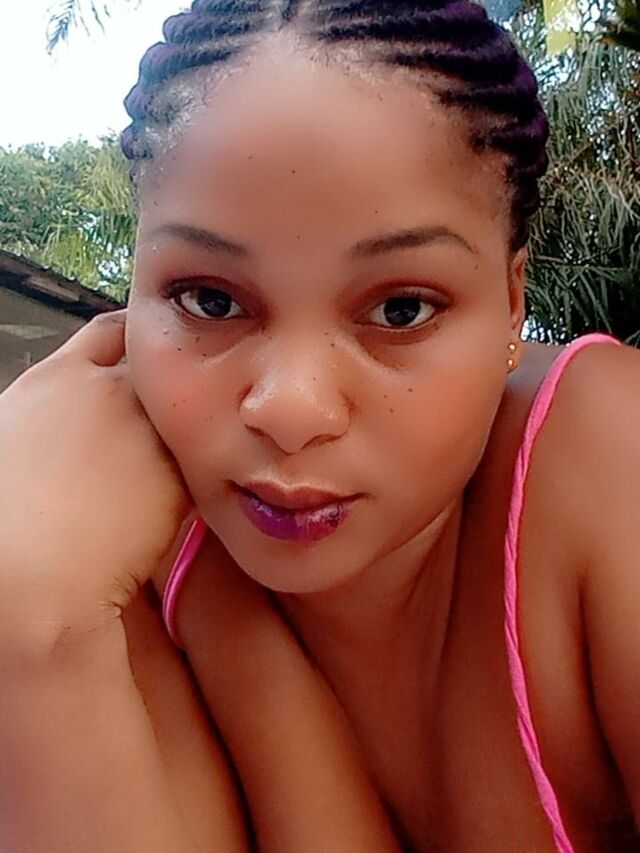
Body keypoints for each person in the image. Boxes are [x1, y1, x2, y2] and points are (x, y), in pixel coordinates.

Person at [0, 1, 638, 850]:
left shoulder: (609, 455)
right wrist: (32, 626)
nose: (291, 409)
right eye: (210, 300)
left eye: (402, 308)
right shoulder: (103, 573)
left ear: (512, 302)